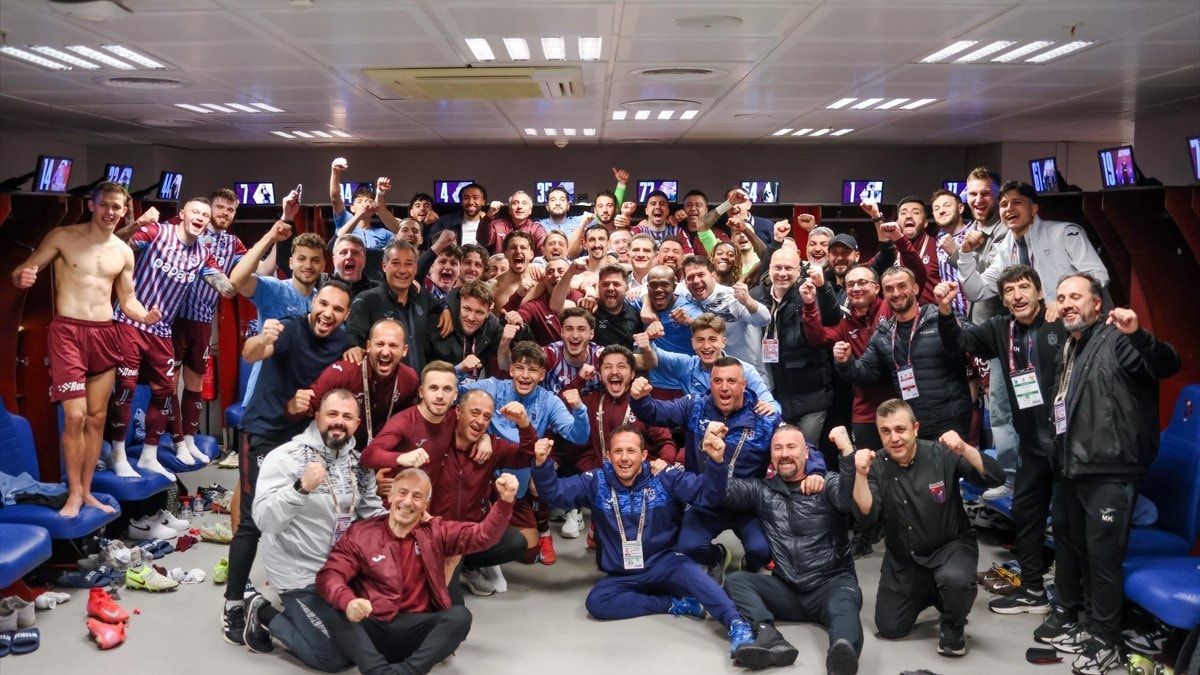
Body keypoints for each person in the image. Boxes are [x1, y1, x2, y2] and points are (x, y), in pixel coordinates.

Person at [1034, 274, 1179, 675]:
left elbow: (1167, 363)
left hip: (1110, 470)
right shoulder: (1073, 345)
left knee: (1103, 558)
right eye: (1061, 297)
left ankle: (1105, 640)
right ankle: (1077, 620)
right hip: (1073, 466)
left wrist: (1140, 336)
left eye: (1076, 296)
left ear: (1097, 304)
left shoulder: (1118, 338)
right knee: (1071, 545)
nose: (1067, 303)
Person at [530, 423, 757, 660]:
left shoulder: (663, 477)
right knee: (597, 602)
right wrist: (542, 464)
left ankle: (737, 625)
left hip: (664, 564)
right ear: (608, 456)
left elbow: (707, 494)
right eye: (618, 451)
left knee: (695, 576)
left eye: (631, 451)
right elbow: (555, 493)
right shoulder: (595, 482)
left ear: (644, 454)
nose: (624, 458)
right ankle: (673, 604)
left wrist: (717, 463)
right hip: (623, 573)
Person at [10, 181, 161, 517]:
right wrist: (21, 277)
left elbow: (128, 300)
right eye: (104, 204)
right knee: (75, 416)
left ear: (125, 211)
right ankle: (74, 493)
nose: (110, 212)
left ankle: (88, 491)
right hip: (68, 333)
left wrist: (144, 315)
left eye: (117, 207)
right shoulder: (63, 236)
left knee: (96, 418)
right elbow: (25, 268)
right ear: (92, 205)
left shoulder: (123, 251)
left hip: (104, 333)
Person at [223, 281, 353, 646]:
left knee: (299, 512)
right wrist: (262, 339)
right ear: (313, 302)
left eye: (337, 309)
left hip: (303, 438)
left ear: (346, 315)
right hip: (265, 430)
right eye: (323, 304)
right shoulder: (291, 327)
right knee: (253, 519)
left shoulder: (343, 342)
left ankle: (295, 587)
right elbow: (251, 353)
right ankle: (234, 602)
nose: (327, 314)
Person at [935, 267, 1064, 616]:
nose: (1017, 296)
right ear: (1003, 299)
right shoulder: (1000, 328)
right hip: (1031, 444)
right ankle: (1033, 591)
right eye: (1009, 290)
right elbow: (958, 342)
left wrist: (1061, 304)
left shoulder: (1059, 321)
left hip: (1068, 445)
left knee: (1067, 522)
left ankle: (1069, 599)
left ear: (1040, 293)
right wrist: (945, 310)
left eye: (1024, 287)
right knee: (1027, 514)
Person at [316, 469, 521, 675]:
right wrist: (349, 602)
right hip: (373, 627)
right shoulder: (361, 533)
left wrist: (505, 502)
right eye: (402, 493)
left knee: (460, 616)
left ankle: (408, 672)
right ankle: (376, 671)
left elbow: (482, 536)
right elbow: (330, 574)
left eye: (416, 496)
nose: (407, 502)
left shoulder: (437, 531)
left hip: (417, 629)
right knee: (335, 607)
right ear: (390, 496)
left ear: (425, 505)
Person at [241, 389, 386, 669]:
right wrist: (301, 488)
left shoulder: (359, 464)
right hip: (300, 575)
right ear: (317, 417)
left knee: (370, 641)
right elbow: (265, 520)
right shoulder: (285, 457)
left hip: (342, 572)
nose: (339, 421)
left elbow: (372, 513)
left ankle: (314, 615)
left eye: (347, 417)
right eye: (332, 414)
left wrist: (410, 519)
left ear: (357, 424)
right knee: (332, 658)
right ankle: (262, 612)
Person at [852, 399, 1005, 658]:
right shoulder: (876, 463)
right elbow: (866, 517)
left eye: (900, 429)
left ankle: (953, 623)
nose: (894, 438)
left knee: (955, 580)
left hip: (950, 548)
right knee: (890, 628)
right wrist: (860, 474)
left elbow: (995, 478)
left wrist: (964, 448)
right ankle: (931, 593)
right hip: (905, 559)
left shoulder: (940, 453)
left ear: (915, 428)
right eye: (885, 431)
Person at [630, 360, 808, 577]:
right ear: (710, 383)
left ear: (744, 384)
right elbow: (655, 412)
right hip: (705, 500)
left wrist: (816, 471)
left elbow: (801, 445)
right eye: (718, 381)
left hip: (746, 505)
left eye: (731, 381)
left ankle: (748, 569)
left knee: (763, 551)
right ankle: (718, 556)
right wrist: (639, 399)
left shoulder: (764, 417)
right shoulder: (695, 406)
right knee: (688, 547)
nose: (724, 387)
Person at [106, 197, 233, 479]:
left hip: (162, 330)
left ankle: (149, 455)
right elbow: (114, 246)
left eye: (205, 215)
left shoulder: (202, 255)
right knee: (125, 388)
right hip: (129, 321)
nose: (200, 217)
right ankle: (118, 454)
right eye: (195, 212)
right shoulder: (156, 232)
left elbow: (227, 288)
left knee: (165, 393)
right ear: (183, 214)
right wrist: (136, 224)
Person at [721, 425, 863, 674]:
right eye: (778, 448)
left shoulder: (827, 482)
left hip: (831, 584)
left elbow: (845, 500)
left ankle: (842, 655)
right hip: (788, 589)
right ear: (771, 456)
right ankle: (769, 637)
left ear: (806, 453)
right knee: (736, 581)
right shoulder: (762, 491)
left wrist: (847, 453)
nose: (784, 453)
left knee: (844, 609)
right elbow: (720, 493)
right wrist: (715, 460)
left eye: (791, 447)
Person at [834, 266, 972, 439]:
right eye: (889, 289)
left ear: (915, 288)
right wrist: (845, 361)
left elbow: (971, 342)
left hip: (951, 420)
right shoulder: (883, 334)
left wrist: (948, 315)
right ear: (883, 294)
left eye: (902, 286)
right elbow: (864, 374)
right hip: (912, 425)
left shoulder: (941, 317)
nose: (896, 293)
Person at [957, 181, 1110, 322]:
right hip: (1038, 330)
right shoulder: (1005, 249)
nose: (1009, 208)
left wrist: (1063, 301)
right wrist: (965, 254)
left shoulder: (1065, 233)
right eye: (1003, 205)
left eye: (1017, 202)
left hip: (1081, 323)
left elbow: (1098, 275)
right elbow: (976, 291)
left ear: (1033, 209)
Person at [229, 190, 325, 405]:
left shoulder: (323, 303)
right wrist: (271, 237)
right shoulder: (275, 290)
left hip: (301, 401)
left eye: (315, 260)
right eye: (302, 258)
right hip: (264, 401)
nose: (308, 265)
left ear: (323, 265)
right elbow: (237, 280)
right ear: (291, 262)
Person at [288, 318, 419, 448]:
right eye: (379, 344)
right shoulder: (342, 373)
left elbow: (409, 422)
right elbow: (301, 410)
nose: (385, 352)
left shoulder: (410, 379)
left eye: (393, 346)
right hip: (333, 448)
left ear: (404, 350)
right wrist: (294, 407)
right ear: (368, 346)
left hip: (377, 452)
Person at [750, 247, 838, 439]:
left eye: (789, 268)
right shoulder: (756, 296)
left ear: (799, 271)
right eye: (778, 268)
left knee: (805, 449)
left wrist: (822, 289)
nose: (782, 273)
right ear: (769, 269)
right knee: (781, 450)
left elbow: (833, 318)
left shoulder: (808, 292)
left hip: (812, 396)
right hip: (775, 397)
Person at [344, 239, 449, 375]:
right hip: (382, 385)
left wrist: (446, 309)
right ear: (384, 266)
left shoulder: (422, 295)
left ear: (416, 268)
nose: (402, 270)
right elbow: (352, 335)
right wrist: (352, 347)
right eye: (395, 263)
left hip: (420, 385)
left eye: (408, 264)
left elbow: (439, 305)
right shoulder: (367, 300)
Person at [647, 313, 781, 415]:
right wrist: (649, 338)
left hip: (738, 434)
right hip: (700, 435)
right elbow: (657, 354)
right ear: (692, 343)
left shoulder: (745, 370)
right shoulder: (686, 366)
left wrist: (771, 408)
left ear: (723, 342)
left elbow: (773, 406)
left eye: (712, 339)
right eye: (700, 340)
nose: (706, 346)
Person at [676, 255, 770, 376]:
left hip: (751, 373)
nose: (696, 281)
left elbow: (764, 319)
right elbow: (659, 282)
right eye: (690, 277)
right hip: (719, 376)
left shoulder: (731, 297)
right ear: (685, 282)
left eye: (701, 275)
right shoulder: (687, 296)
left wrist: (748, 301)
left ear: (713, 275)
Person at [425, 280, 505, 385]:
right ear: (459, 305)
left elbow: (508, 362)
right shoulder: (438, 321)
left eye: (479, 312)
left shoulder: (491, 325)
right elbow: (423, 373)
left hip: (470, 392)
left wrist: (517, 332)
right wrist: (458, 369)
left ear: (488, 313)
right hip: (437, 389)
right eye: (467, 309)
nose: (471, 318)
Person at [636, 264, 703, 355]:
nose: (658, 290)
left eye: (664, 285)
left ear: (674, 287)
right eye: (653, 285)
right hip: (654, 362)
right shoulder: (640, 304)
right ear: (647, 288)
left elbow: (711, 332)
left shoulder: (688, 309)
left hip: (686, 363)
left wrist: (690, 322)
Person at [477, 192, 547, 255]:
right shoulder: (497, 225)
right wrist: (489, 215)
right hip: (501, 264)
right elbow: (483, 241)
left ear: (530, 211)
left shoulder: (536, 229)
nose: (519, 207)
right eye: (515, 203)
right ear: (509, 210)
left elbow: (544, 251)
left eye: (524, 203)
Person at [427, 182, 487, 247]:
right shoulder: (443, 222)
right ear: (461, 201)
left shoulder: (490, 225)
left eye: (475, 198)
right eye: (466, 198)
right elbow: (431, 246)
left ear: (483, 202)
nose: (471, 202)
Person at [324, 234, 377, 300]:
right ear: (334, 260)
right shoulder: (322, 287)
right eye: (343, 252)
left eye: (355, 252)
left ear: (364, 260)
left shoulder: (378, 290)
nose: (349, 256)